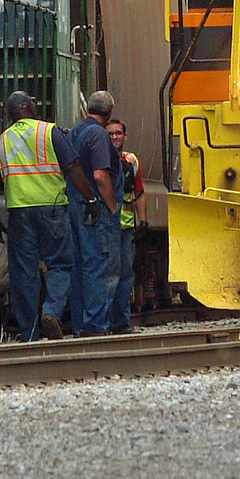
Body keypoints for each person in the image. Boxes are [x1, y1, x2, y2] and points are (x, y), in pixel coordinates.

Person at [0, 91, 73, 341]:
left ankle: (29, 332)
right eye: (34, 102)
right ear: (28, 107)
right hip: (52, 209)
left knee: (23, 273)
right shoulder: (49, 132)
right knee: (60, 263)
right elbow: (72, 167)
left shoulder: (1, 142)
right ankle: (51, 311)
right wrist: (91, 199)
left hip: (19, 212)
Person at [62, 89, 120, 336]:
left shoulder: (74, 133)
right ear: (109, 113)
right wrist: (112, 206)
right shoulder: (97, 134)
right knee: (100, 264)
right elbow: (100, 175)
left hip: (75, 206)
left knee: (80, 267)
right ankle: (96, 325)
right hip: (95, 209)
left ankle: (80, 325)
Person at [107, 117, 142, 333]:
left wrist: (143, 220)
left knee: (125, 275)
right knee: (108, 275)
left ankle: (121, 322)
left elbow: (139, 191)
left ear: (125, 136)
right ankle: (105, 321)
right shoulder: (100, 158)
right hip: (107, 226)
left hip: (126, 226)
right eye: (110, 134)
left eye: (118, 133)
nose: (114, 137)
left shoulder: (131, 161)